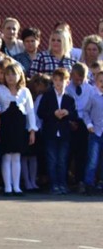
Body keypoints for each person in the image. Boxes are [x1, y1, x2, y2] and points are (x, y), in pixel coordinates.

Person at [0, 63, 37, 196]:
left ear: (20, 76)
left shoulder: (25, 91)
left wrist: (32, 130)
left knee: (17, 157)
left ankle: (17, 186)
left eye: (14, 74)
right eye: (8, 74)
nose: (11, 77)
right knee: (7, 156)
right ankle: (8, 186)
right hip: (6, 126)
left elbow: (30, 111)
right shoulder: (0, 91)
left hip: (19, 127)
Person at [37, 67, 77, 195]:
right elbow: (41, 113)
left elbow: (74, 114)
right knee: (52, 159)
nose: (58, 83)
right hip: (50, 133)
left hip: (64, 134)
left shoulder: (69, 98)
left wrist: (68, 112)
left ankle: (62, 184)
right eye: (56, 80)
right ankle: (53, 184)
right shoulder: (47, 96)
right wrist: (53, 113)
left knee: (62, 160)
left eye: (61, 80)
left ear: (67, 82)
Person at [65, 62, 94, 193]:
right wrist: (69, 121)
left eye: (81, 79)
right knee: (68, 153)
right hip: (70, 121)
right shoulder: (66, 88)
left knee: (82, 154)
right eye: (76, 78)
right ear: (71, 75)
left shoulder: (90, 89)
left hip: (84, 123)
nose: (78, 81)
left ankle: (80, 181)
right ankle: (65, 181)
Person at [83, 71, 103, 194]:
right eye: (101, 81)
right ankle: (88, 184)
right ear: (96, 82)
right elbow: (85, 112)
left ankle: (101, 182)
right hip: (96, 132)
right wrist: (89, 124)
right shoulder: (93, 96)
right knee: (92, 159)